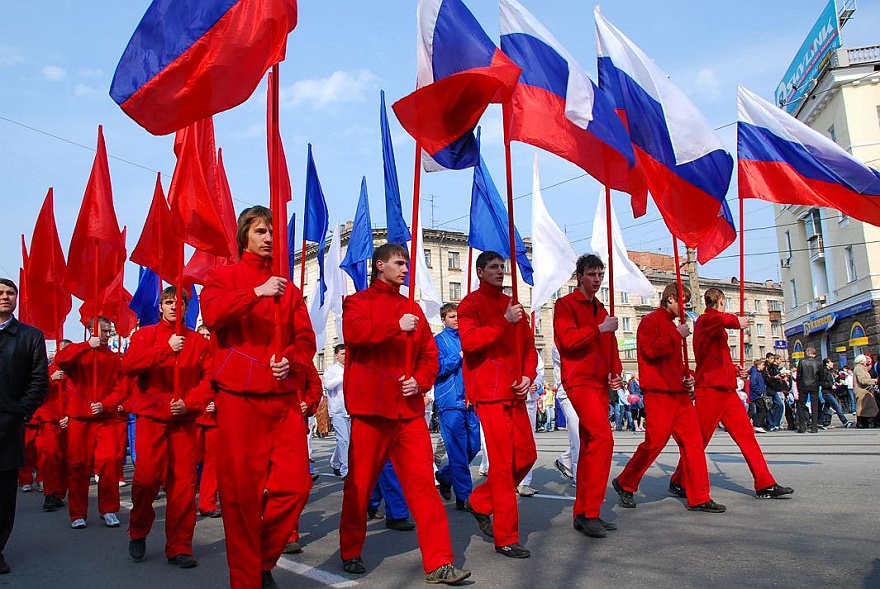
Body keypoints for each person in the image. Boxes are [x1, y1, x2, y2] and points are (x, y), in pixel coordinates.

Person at [338, 243, 469, 584]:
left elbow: (430, 356)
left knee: (423, 486)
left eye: (406, 263)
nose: (405, 268)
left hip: (407, 411)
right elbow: (354, 335)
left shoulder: (412, 309)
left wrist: (420, 380)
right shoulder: (358, 303)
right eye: (398, 263)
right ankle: (351, 548)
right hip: (371, 409)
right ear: (380, 265)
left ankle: (439, 562)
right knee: (360, 484)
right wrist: (396, 325)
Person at [201, 206, 317, 589]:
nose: (269, 238)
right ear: (244, 236)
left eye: (271, 232)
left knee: (296, 485)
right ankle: (247, 579)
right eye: (261, 231)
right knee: (240, 496)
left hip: (281, 398)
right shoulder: (222, 278)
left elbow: (306, 340)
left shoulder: (289, 289)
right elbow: (214, 314)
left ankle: (262, 557)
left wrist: (291, 360)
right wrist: (255, 293)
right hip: (238, 397)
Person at [667, 288, 793, 501]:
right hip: (710, 390)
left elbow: (719, 356)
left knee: (747, 436)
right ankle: (679, 479)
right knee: (699, 440)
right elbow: (719, 322)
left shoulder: (713, 325)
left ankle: (765, 483)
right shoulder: (706, 320)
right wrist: (738, 321)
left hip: (725, 389)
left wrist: (736, 370)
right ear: (722, 301)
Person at [612, 283, 725, 513]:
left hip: (679, 395)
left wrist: (688, 376)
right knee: (654, 443)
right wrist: (676, 335)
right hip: (659, 394)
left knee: (693, 444)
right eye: (684, 303)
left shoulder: (672, 325)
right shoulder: (650, 321)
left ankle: (700, 496)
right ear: (672, 299)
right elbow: (651, 351)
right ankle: (625, 481)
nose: (686, 309)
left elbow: (675, 363)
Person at [121, 287, 210, 568]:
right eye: (168, 302)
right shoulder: (144, 336)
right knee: (146, 480)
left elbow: (208, 380)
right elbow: (129, 366)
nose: (173, 307)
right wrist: (164, 349)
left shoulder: (199, 342)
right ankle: (138, 528)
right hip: (151, 419)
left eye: (179, 303)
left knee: (184, 486)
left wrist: (189, 402)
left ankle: (180, 545)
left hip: (183, 422)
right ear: (160, 307)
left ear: (186, 308)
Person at [458, 251, 538, 558]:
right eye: (493, 267)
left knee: (527, 456)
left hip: (515, 392)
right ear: (479, 272)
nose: (500, 272)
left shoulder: (513, 306)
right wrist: (503, 322)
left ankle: (480, 502)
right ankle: (506, 537)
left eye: (502, 267)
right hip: (490, 394)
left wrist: (529, 376)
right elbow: (470, 343)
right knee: (503, 467)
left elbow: (530, 349)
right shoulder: (470, 305)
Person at [553, 253, 623, 538]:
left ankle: (584, 512)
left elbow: (611, 344)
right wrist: (598, 328)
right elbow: (567, 341)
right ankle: (589, 511)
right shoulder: (565, 304)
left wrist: (615, 371)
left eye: (600, 275)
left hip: (598, 382)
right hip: (579, 381)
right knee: (603, 439)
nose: (597, 280)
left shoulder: (601, 307)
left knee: (593, 443)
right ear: (579, 276)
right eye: (592, 274)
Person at [55, 316, 125, 530]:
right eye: (103, 331)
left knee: (111, 462)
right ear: (91, 331)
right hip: (79, 419)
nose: (106, 335)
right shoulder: (78, 353)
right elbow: (61, 360)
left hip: (104, 419)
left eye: (108, 331)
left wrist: (105, 404)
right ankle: (77, 513)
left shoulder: (114, 359)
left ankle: (109, 509)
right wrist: (87, 346)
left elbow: (121, 388)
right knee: (78, 465)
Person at [0, 278, 48, 574]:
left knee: (4, 498)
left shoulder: (30, 336)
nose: (5, 297)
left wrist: (19, 411)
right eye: (0, 293)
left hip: (7, 427)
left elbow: (39, 381)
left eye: (10, 293)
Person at [433, 303, 481, 511]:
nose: (456, 319)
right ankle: (464, 496)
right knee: (458, 451)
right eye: (452, 316)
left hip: (471, 400)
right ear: (443, 320)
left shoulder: (468, 337)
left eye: (458, 316)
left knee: (474, 446)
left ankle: (445, 476)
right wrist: (459, 356)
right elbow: (436, 368)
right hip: (450, 401)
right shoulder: (438, 341)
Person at [35, 339, 71, 512]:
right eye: (63, 350)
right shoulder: (48, 370)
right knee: (50, 457)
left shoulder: (76, 370)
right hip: (50, 420)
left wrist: (70, 416)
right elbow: (34, 390)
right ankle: (50, 492)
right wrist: (50, 379)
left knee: (66, 460)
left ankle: (59, 493)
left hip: (70, 421)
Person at [194, 325, 220, 518]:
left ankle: (207, 503)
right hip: (192, 416)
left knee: (212, 464)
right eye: (201, 335)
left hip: (213, 419)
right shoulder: (190, 357)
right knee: (187, 463)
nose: (205, 338)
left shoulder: (219, 358)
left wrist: (217, 403)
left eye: (207, 335)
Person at [323, 344, 349, 479]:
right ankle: (345, 470)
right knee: (344, 440)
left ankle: (335, 462)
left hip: (351, 410)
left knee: (346, 441)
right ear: (336, 355)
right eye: (343, 354)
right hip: (338, 410)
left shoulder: (352, 368)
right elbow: (327, 385)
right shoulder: (331, 370)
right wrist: (343, 377)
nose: (345, 356)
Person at [795, 347, 823, 434]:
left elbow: (799, 375)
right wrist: (819, 383)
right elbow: (821, 375)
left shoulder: (802, 362)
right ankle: (814, 427)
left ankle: (802, 427)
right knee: (815, 406)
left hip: (803, 386)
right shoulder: (819, 362)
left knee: (801, 406)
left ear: (808, 352)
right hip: (814, 386)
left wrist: (798, 385)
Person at [819, 359, 852, 429]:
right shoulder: (824, 372)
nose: (832, 363)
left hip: (830, 392)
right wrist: (831, 386)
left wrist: (835, 384)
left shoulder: (829, 371)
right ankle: (845, 422)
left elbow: (829, 381)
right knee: (837, 407)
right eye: (831, 362)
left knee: (826, 408)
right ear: (827, 364)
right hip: (827, 392)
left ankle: (820, 422)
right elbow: (822, 382)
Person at [853, 355, 879, 428]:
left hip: (865, 390)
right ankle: (862, 423)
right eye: (865, 360)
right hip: (862, 390)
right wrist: (874, 381)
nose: (866, 361)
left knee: (865, 408)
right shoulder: (859, 368)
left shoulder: (860, 368)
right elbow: (862, 380)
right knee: (864, 407)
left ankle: (864, 423)